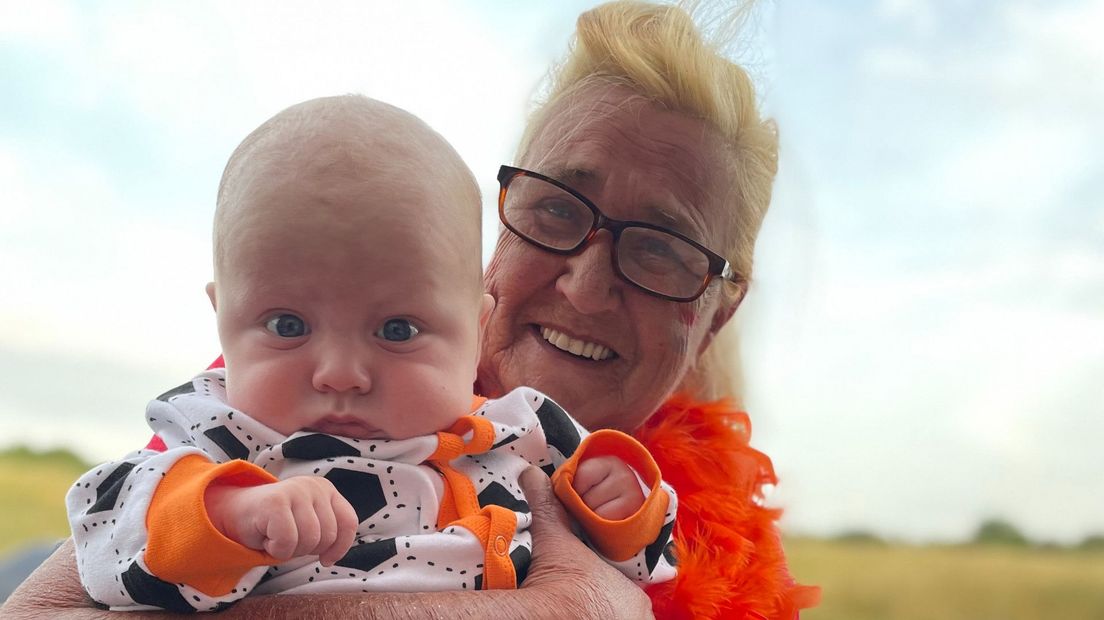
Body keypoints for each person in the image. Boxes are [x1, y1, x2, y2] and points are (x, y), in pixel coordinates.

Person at [3, 2, 819, 618]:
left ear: (716, 314)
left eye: (661, 249)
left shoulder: (548, 449)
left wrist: (627, 505)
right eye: (558, 208)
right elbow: (110, 545)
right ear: (492, 243)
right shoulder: (252, 417)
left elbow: (653, 550)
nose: (584, 284)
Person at [64, 95, 678, 612]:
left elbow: (646, 567)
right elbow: (107, 523)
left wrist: (621, 508)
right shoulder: (218, 430)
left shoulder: (521, 431)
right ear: (222, 322)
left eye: (398, 331)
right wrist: (230, 511)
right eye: (287, 324)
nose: (340, 374)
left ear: (475, 328)